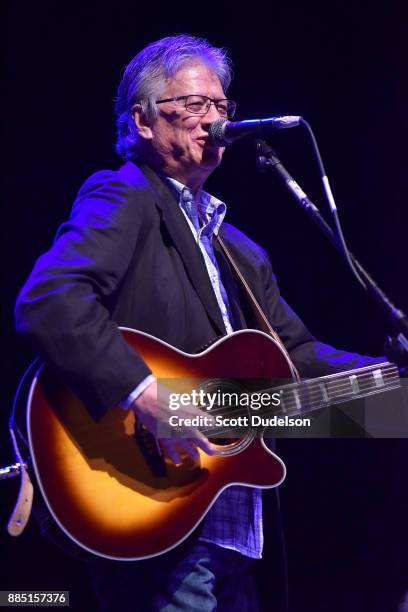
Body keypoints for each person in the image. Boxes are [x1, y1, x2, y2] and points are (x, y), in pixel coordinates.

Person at [15, 34, 382, 612]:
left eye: (220, 105)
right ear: (142, 122)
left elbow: (300, 364)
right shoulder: (127, 193)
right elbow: (49, 298)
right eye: (192, 105)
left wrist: (393, 386)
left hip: (232, 530)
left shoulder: (241, 250)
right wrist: (145, 393)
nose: (212, 119)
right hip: (148, 503)